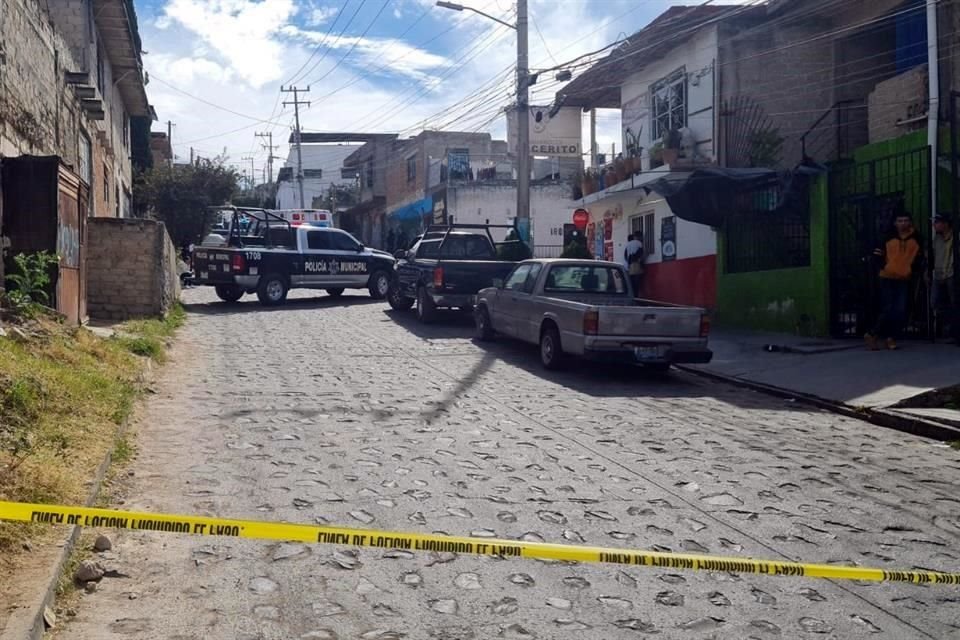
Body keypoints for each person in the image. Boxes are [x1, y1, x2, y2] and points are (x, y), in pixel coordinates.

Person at [865, 213, 922, 351]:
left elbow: (919, 257)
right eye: (900, 220)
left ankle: (891, 337)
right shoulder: (887, 237)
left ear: (910, 222)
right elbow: (877, 255)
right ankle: (873, 334)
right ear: (895, 223)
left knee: (901, 309)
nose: (903, 223)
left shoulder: (916, 239)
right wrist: (885, 267)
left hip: (904, 278)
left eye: (906, 220)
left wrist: (911, 270)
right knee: (888, 308)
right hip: (887, 277)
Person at [931, 214, 957, 343]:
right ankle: (950, 327)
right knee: (935, 302)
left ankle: (954, 332)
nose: (934, 225)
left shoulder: (955, 237)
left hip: (952, 273)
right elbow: (934, 254)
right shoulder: (937, 238)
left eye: (937, 222)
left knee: (955, 302)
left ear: (945, 224)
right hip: (939, 273)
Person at [623, 233, 644, 297]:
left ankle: (633, 296)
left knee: (631, 282)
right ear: (634, 237)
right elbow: (641, 252)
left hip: (630, 265)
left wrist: (629, 263)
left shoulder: (627, 245)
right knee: (637, 282)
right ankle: (636, 296)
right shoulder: (638, 243)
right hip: (637, 264)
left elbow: (625, 256)